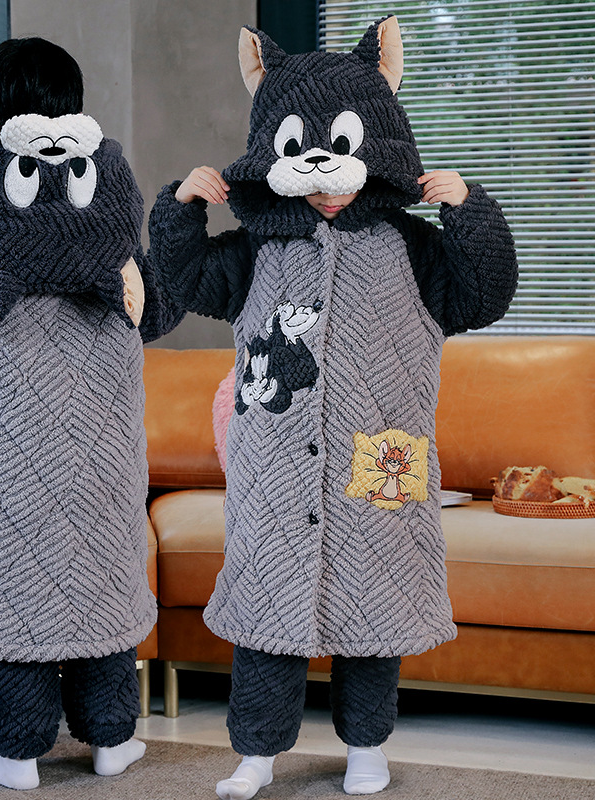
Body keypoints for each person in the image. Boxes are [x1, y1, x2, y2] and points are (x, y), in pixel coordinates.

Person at [147, 17, 517, 799]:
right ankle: (256, 753)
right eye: (303, 165)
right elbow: (186, 281)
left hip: (378, 465)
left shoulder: (413, 249)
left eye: (340, 160)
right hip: (275, 470)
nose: (323, 179)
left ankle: (366, 748)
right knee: (266, 614)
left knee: (374, 610)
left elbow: (482, 294)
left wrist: (469, 211)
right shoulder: (257, 251)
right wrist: (180, 211)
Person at [0, 37, 182, 791]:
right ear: (76, 112)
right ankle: (111, 740)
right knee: (101, 578)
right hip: (107, 445)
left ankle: (16, 754)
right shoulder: (110, 203)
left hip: (7, 445)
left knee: (12, 582)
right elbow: (151, 313)